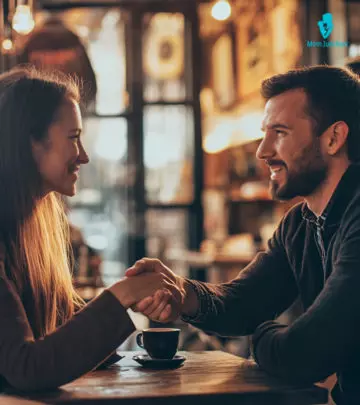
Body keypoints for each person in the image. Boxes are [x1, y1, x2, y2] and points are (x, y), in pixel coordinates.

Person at [126, 65, 360, 405]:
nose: (262, 151)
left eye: (279, 132)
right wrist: (182, 292)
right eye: (264, 133)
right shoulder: (300, 223)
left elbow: (303, 353)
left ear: (334, 138)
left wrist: (262, 334)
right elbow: (243, 303)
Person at [0, 66, 180, 391]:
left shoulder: (27, 229)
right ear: (30, 143)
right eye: (73, 138)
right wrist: (122, 294)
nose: (83, 156)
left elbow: (64, 338)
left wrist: (132, 300)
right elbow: (26, 368)